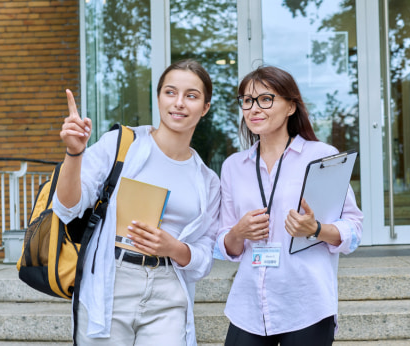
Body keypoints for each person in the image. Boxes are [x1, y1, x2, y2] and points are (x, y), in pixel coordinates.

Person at [53, 59, 221, 346]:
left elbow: (205, 255)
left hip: (169, 289)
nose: (179, 103)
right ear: (158, 98)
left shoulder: (207, 180)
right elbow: (68, 207)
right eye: (170, 92)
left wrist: (174, 248)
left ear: (204, 108)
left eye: (191, 96)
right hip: (112, 279)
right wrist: (74, 154)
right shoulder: (122, 144)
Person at [216, 65, 363, 345]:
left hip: (306, 303)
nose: (254, 108)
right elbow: (225, 243)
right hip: (249, 305)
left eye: (266, 99)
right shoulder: (233, 166)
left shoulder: (322, 156)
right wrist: (238, 232)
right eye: (247, 101)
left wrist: (316, 228)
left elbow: (354, 229)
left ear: (290, 107)